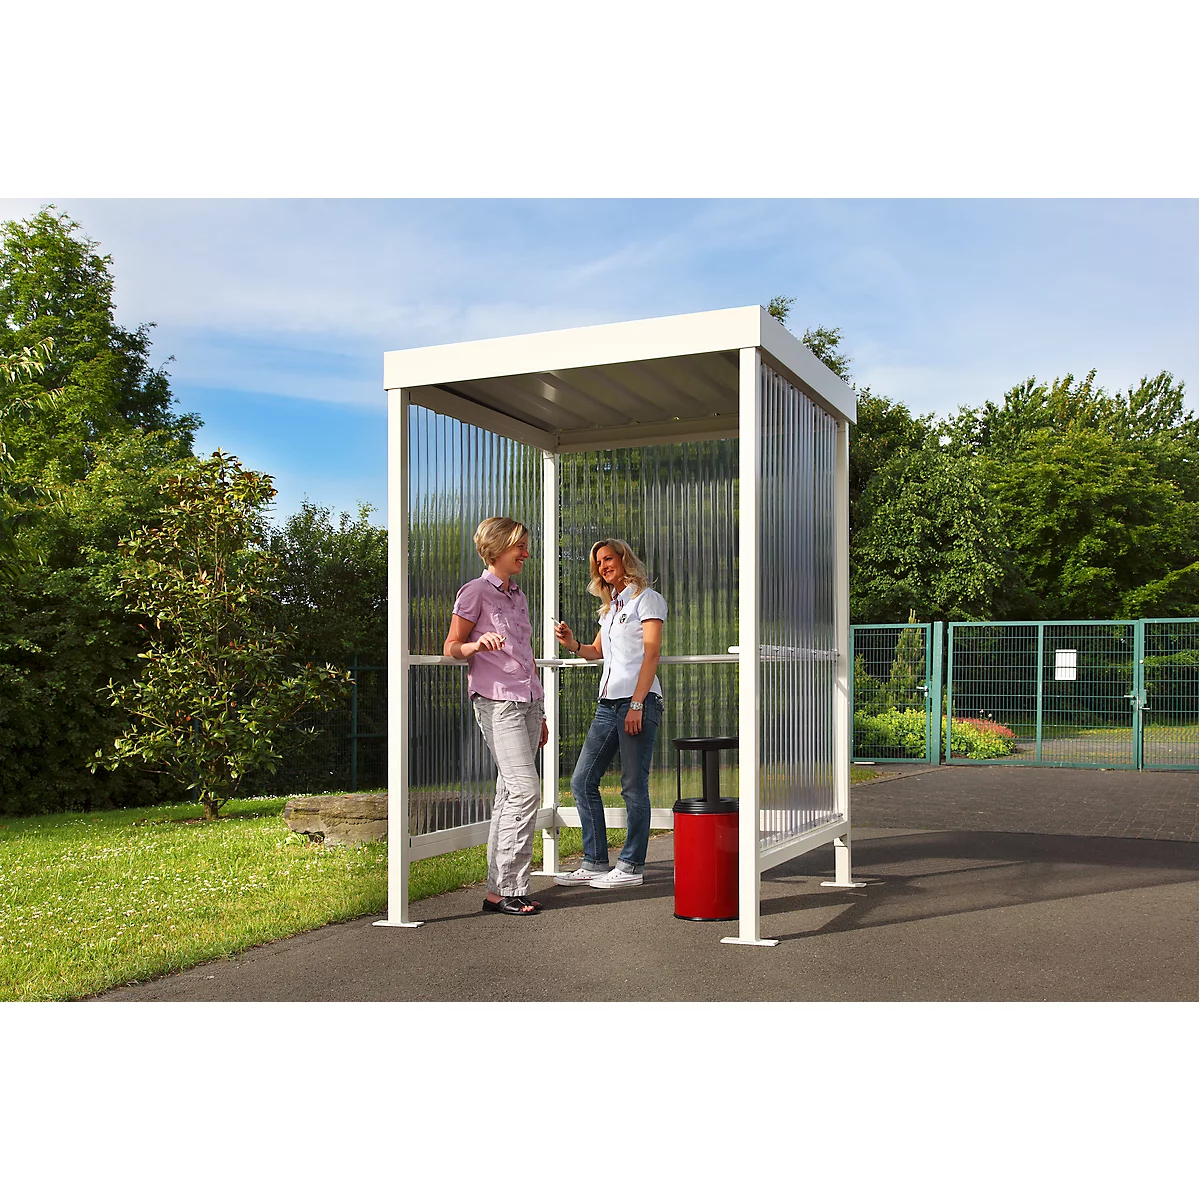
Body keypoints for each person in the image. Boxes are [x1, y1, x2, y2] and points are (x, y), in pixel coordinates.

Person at [444, 516, 548, 916]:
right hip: (497, 702)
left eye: (525, 545)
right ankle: (506, 887)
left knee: (509, 795)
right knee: (525, 791)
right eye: (520, 546)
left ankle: (503, 890)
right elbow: (452, 645)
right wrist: (476, 646)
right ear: (497, 548)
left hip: (526, 702)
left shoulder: (517, 596)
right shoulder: (474, 592)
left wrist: (539, 711)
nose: (526, 552)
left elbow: (526, 655)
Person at [553, 538, 666, 889]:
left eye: (608, 558)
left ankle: (631, 866)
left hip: (638, 702)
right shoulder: (610, 609)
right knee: (582, 781)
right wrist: (571, 642)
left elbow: (651, 655)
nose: (603, 566)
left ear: (624, 559)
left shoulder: (647, 599)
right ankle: (596, 861)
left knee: (633, 787)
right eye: (598, 563)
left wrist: (636, 703)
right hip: (607, 704)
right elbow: (594, 652)